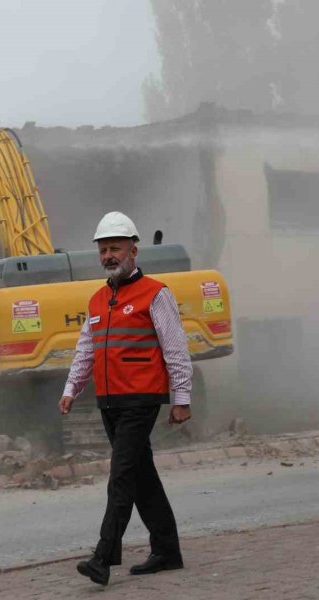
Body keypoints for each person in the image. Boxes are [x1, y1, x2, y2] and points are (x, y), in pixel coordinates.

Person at [59, 211, 193, 586]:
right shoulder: (98, 300)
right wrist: (72, 389)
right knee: (141, 476)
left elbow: (176, 349)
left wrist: (181, 398)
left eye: (115, 248)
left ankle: (103, 558)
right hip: (110, 401)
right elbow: (85, 350)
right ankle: (167, 550)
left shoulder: (156, 293)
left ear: (134, 250)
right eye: (103, 250)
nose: (109, 256)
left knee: (121, 477)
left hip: (141, 398)